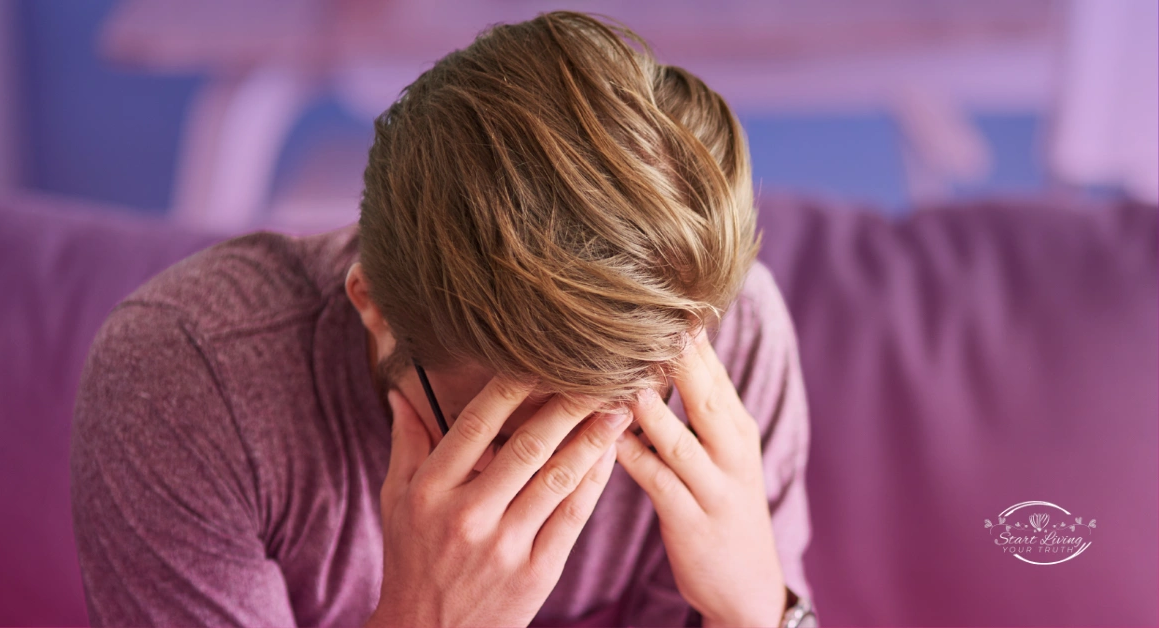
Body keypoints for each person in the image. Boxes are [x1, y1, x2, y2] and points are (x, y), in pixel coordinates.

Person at [70, 11, 816, 627]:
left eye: (626, 415)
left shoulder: (730, 338)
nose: (568, 475)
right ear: (374, 308)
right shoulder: (187, 381)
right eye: (505, 430)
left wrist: (758, 610)